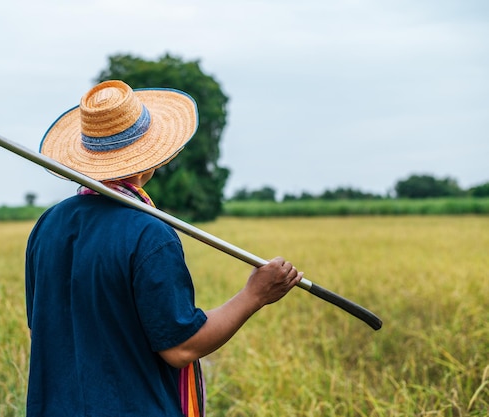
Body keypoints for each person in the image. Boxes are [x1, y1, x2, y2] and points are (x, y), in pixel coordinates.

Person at [24, 80, 304, 416]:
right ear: (150, 157)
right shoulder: (149, 234)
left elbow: (40, 329)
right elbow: (181, 348)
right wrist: (254, 295)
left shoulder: (47, 225)